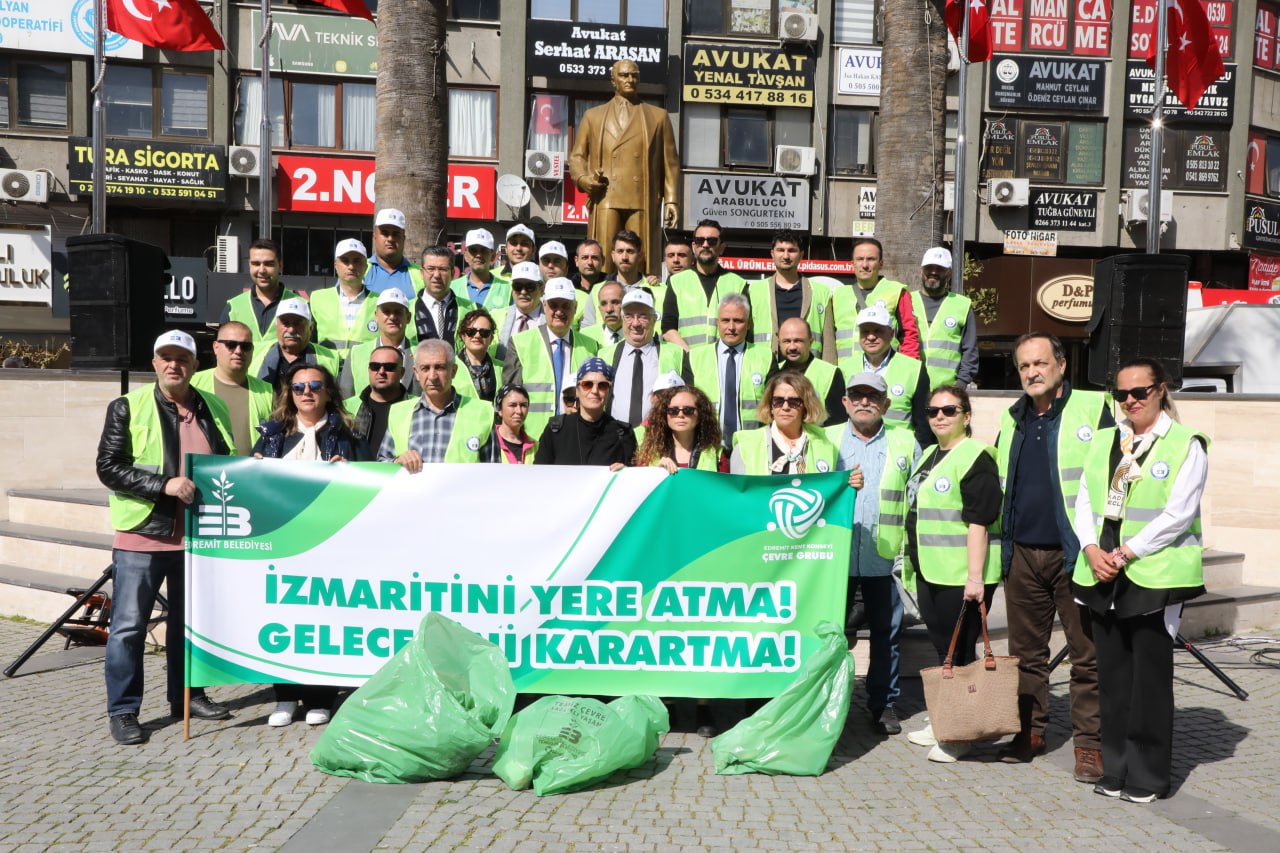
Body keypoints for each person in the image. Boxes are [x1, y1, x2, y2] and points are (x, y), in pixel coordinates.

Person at [1073, 358, 1209, 804]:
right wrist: (1092, 549)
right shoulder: (1107, 440)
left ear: (1161, 390)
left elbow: (1179, 514)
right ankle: (1116, 767)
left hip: (1153, 574)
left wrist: (1128, 552)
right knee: (1112, 677)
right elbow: (1084, 500)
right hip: (1104, 571)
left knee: (1148, 681)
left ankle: (1148, 775)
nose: (1130, 400)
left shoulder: (1186, 444)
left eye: (1140, 392)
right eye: (1122, 394)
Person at [96, 331, 235, 745]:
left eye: (183, 358)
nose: (174, 365)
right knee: (127, 629)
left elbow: (223, 459)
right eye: (166, 358)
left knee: (189, 626)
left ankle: (187, 697)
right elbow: (109, 467)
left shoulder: (212, 407)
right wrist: (164, 485)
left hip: (196, 538)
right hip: (143, 536)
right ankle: (123, 710)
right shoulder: (127, 406)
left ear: (195, 365)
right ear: (155, 363)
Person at [995, 332, 1112, 781]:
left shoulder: (1092, 407)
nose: (1032, 373)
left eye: (1040, 363)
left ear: (1061, 364)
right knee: (1026, 655)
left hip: (1075, 553)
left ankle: (1089, 746)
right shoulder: (1013, 418)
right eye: (1024, 366)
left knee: (1087, 656)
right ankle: (1030, 732)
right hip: (1022, 553)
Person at [253, 363, 363, 727]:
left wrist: (350, 469)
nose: (307, 392)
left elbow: (366, 481)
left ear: (328, 391)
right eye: (299, 387)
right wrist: (253, 469)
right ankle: (285, 695)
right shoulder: (271, 434)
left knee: (325, 620)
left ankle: (321, 696)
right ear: (290, 394)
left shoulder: (346, 433)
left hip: (330, 542)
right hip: (283, 544)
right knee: (283, 619)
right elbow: (254, 483)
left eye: (315, 385)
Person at [902, 384, 1002, 763]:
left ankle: (959, 736)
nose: (940, 416)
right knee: (944, 650)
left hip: (963, 575)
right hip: (931, 570)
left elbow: (979, 521)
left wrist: (975, 578)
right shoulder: (930, 454)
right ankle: (944, 719)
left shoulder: (976, 456)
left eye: (949, 410)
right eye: (933, 411)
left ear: (967, 416)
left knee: (959, 651)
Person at [827, 372, 921, 736]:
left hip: (884, 557)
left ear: (885, 404)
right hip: (835, 557)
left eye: (873, 396)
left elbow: (915, 499)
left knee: (886, 633)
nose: (864, 401)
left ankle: (883, 703)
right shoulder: (826, 438)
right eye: (857, 395)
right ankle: (828, 701)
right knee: (831, 632)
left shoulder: (906, 441)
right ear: (845, 402)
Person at [568, 58, 680, 276]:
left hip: (642, 196)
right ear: (613, 80)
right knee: (604, 257)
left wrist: (672, 199)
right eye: (624, 75)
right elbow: (577, 157)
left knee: (641, 258)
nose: (630, 80)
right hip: (607, 195)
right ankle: (603, 294)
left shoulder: (658, 117)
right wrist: (584, 180)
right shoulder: (594, 116)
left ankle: (643, 296)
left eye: (634, 75)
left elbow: (671, 162)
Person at [502, 277, 599, 438]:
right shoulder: (520, 343)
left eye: (565, 306)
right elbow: (510, 400)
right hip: (533, 439)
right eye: (554, 305)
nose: (559, 312)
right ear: (544, 306)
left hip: (578, 436)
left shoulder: (591, 346)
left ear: (574, 308)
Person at [377, 339, 500, 467]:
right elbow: (381, 464)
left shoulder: (482, 413)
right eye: (425, 368)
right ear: (416, 373)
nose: (432, 376)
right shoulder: (399, 413)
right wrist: (397, 461)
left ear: (453, 371)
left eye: (439, 367)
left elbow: (494, 473)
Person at [682, 292, 774, 449]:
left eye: (738, 321)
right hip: (706, 446)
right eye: (725, 320)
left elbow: (773, 408)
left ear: (749, 323)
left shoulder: (766, 358)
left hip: (753, 447)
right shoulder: (694, 358)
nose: (731, 327)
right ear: (717, 322)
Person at [841, 304, 932, 449]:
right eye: (865, 331)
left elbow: (924, 424)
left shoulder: (914, 369)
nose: (870, 337)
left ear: (891, 333)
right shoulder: (844, 369)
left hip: (900, 452)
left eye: (878, 331)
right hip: (854, 451)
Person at [745, 229, 835, 358]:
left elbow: (828, 345)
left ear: (801, 254)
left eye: (792, 250)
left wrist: (828, 375)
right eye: (780, 250)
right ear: (772, 254)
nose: (786, 256)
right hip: (766, 372)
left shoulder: (821, 293)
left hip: (808, 373)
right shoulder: (753, 291)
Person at [601, 289, 683, 427]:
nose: (635, 323)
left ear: (654, 319)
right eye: (629, 316)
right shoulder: (604, 355)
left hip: (658, 439)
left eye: (643, 316)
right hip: (615, 440)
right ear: (622, 318)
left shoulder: (676, 354)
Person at [190, 321, 274, 456]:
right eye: (231, 344)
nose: (238, 351)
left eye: (245, 346)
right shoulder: (192, 384)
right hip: (205, 473)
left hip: (252, 473)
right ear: (216, 347)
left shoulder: (267, 391)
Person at [729, 371, 837, 475]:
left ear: (806, 405)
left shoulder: (824, 444)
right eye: (778, 401)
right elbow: (737, 491)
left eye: (794, 402)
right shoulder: (745, 446)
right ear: (770, 405)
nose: (785, 407)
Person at [831, 237, 920, 362]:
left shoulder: (897, 291)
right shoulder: (837, 295)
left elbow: (909, 336)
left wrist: (910, 370)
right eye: (860, 259)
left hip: (886, 372)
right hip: (847, 373)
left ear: (881, 263)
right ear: (853, 263)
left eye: (871, 259)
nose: (865, 265)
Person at [534, 358, 637, 467]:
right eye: (587, 384)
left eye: (602, 385)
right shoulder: (556, 429)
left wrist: (626, 473)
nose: (594, 391)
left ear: (609, 392)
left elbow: (635, 478)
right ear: (577, 391)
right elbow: (539, 475)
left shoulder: (623, 433)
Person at [662, 219, 746, 350]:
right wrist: (692, 357)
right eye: (700, 241)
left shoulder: (738, 283)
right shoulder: (677, 282)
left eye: (712, 241)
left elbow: (745, 328)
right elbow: (668, 329)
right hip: (687, 363)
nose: (705, 245)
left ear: (722, 247)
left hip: (725, 363)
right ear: (694, 247)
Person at [912, 247, 979, 389]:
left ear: (949, 273)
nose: (934, 272)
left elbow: (970, 350)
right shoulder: (906, 301)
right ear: (921, 270)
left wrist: (960, 385)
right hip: (909, 387)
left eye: (940, 269)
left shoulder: (962, 305)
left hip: (947, 390)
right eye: (929, 267)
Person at [219, 238, 303, 346]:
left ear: (280, 266)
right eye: (256, 263)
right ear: (249, 265)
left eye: (268, 264)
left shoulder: (301, 306)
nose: (262, 270)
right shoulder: (233, 308)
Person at [339, 288, 418, 400]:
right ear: (376, 316)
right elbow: (346, 397)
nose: (392, 317)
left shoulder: (422, 353)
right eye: (386, 311)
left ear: (408, 317)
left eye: (398, 312)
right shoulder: (357, 353)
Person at [309, 238, 377, 364]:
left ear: (366, 266)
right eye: (345, 261)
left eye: (357, 261)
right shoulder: (317, 299)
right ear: (335, 265)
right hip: (326, 373)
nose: (351, 266)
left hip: (363, 374)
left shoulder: (380, 302)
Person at [770, 316, 846, 426]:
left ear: (810, 342)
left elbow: (838, 424)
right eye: (786, 341)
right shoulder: (774, 372)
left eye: (798, 341)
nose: (792, 347)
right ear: (779, 343)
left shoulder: (830, 373)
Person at [251, 298, 341, 390]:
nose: (291, 330)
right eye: (285, 323)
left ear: (310, 328)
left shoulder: (331, 359)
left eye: (297, 323)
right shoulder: (254, 355)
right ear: (276, 326)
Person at [634, 384, 725, 473]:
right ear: (665, 415)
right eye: (673, 411)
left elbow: (726, 487)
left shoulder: (718, 455)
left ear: (701, 415)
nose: (680, 415)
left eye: (688, 410)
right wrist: (657, 473)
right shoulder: (648, 455)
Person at [344, 344, 410, 454]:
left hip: (399, 470)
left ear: (402, 372)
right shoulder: (346, 407)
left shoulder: (416, 406)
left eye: (389, 367)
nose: (381, 372)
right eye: (375, 366)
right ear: (369, 370)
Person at [414, 245, 468, 346]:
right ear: (422, 273)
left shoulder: (470, 309)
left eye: (443, 269)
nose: (437, 275)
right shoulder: (407, 309)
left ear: (452, 274)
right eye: (431, 269)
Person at [364, 208, 422, 295]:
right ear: (374, 237)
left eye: (395, 234)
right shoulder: (361, 269)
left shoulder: (420, 274)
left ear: (403, 238)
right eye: (385, 233)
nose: (390, 239)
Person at [451, 229, 510, 312]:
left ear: (493, 256)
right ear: (466, 256)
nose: (478, 255)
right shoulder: (452, 288)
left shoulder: (508, 289)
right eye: (473, 250)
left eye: (484, 250)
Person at [495, 261, 545, 359]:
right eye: (518, 286)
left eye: (530, 287)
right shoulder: (495, 317)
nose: (523, 292)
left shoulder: (553, 321)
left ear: (542, 290)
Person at [453, 307, 499, 402]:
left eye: (484, 332)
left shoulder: (502, 368)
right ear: (463, 335)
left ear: (491, 338)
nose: (477, 336)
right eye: (471, 332)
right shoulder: (449, 366)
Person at [492, 383, 537, 464]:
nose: (519, 411)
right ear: (499, 410)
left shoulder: (536, 446)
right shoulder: (490, 443)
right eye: (512, 405)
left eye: (523, 405)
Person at [579, 281, 626, 347]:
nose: (609, 309)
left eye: (615, 302)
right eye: (603, 304)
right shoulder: (585, 335)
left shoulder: (637, 335)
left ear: (626, 305)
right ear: (599, 309)